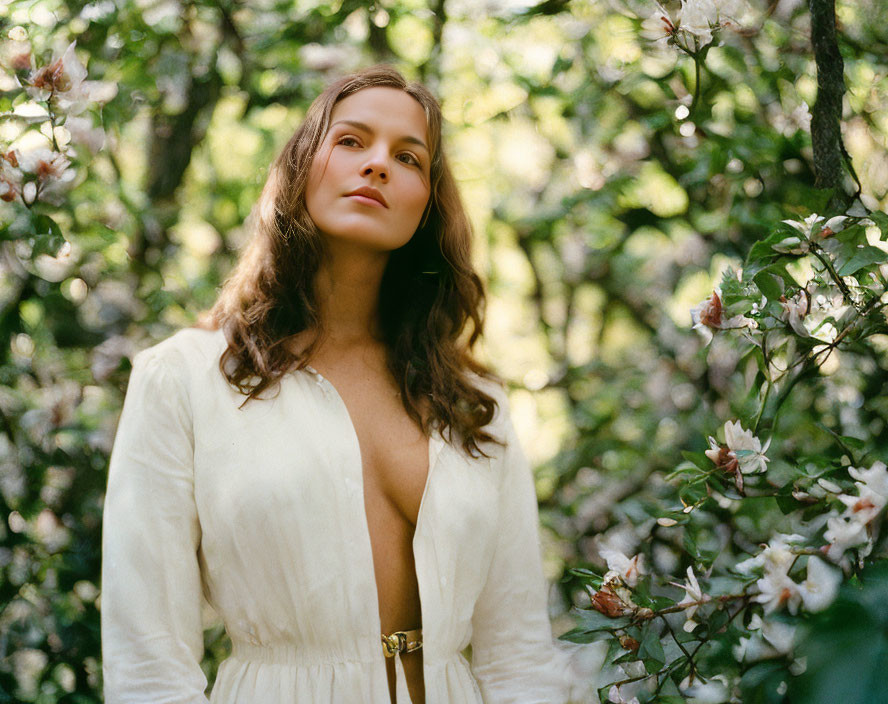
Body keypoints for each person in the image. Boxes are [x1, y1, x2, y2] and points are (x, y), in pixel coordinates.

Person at [101, 65, 569, 704]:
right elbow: (148, 664)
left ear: (427, 203)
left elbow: (518, 652)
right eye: (351, 141)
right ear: (300, 168)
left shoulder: (471, 403)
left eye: (408, 157)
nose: (377, 164)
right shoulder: (183, 379)